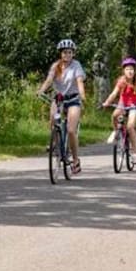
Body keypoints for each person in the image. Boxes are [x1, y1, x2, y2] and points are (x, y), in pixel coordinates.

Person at [36, 38, 87, 174]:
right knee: (53, 119)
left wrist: (82, 95)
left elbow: (80, 81)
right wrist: (41, 90)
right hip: (59, 99)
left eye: (70, 52)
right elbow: (49, 80)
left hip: (73, 99)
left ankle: (75, 160)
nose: (67, 55)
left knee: (71, 130)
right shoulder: (55, 66)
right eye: (65, 52)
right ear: (61, 53)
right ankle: (55, 143)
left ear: (73, 53)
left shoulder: (76, 65)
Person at [100, 56, 136, 164]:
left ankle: (134, 153)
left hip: (134, 105)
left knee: (130, 126)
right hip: (123, 104)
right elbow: (114, 93)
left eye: (132, 69)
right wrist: (107, 102)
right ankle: (116, 130)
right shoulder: (121, 80)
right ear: (123, 71)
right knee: (114, 115)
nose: (130, 71)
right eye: (127, 69)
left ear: (135, 70)